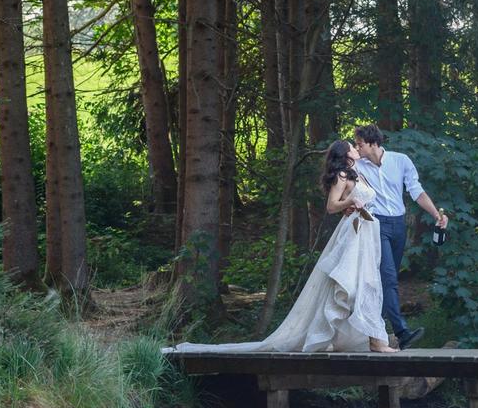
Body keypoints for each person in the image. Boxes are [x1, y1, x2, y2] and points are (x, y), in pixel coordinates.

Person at [170, 140, 396, 353]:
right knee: (356, 284)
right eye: (352, 147)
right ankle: (369, 340)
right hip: (353, 233)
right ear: (345, 154)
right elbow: (331, 206)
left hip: (368, 232)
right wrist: (350, 203)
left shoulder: (359, 174)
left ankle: (365, 338)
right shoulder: (342, 175)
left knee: (368, 282)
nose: (356, 148)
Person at [351, 124, 449, 349]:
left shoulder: (401, 160)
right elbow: (342, 182)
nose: (358, 148)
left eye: (360, 144)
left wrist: (437, 214)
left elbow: (416, 191)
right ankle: (401, 331)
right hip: (375, 225)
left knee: (389, 278)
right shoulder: (357, 165)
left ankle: (375, 330)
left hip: (398, 224)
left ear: (374, 143)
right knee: (388, 278)